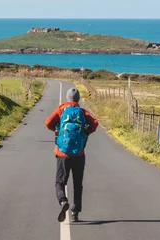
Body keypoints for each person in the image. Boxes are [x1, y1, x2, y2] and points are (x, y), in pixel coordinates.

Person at [45, 88, 98, 223]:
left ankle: (63, 201)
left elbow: (48, 123)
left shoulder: (61, 110)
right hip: (79, 153)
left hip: (62, 152)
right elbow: (95, 123)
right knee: (77, 183)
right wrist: (85, 133)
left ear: (67, 98)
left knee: (60, 181)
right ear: (78, 99)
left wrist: (57, 129)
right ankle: (75, 211)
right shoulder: (82, 112)